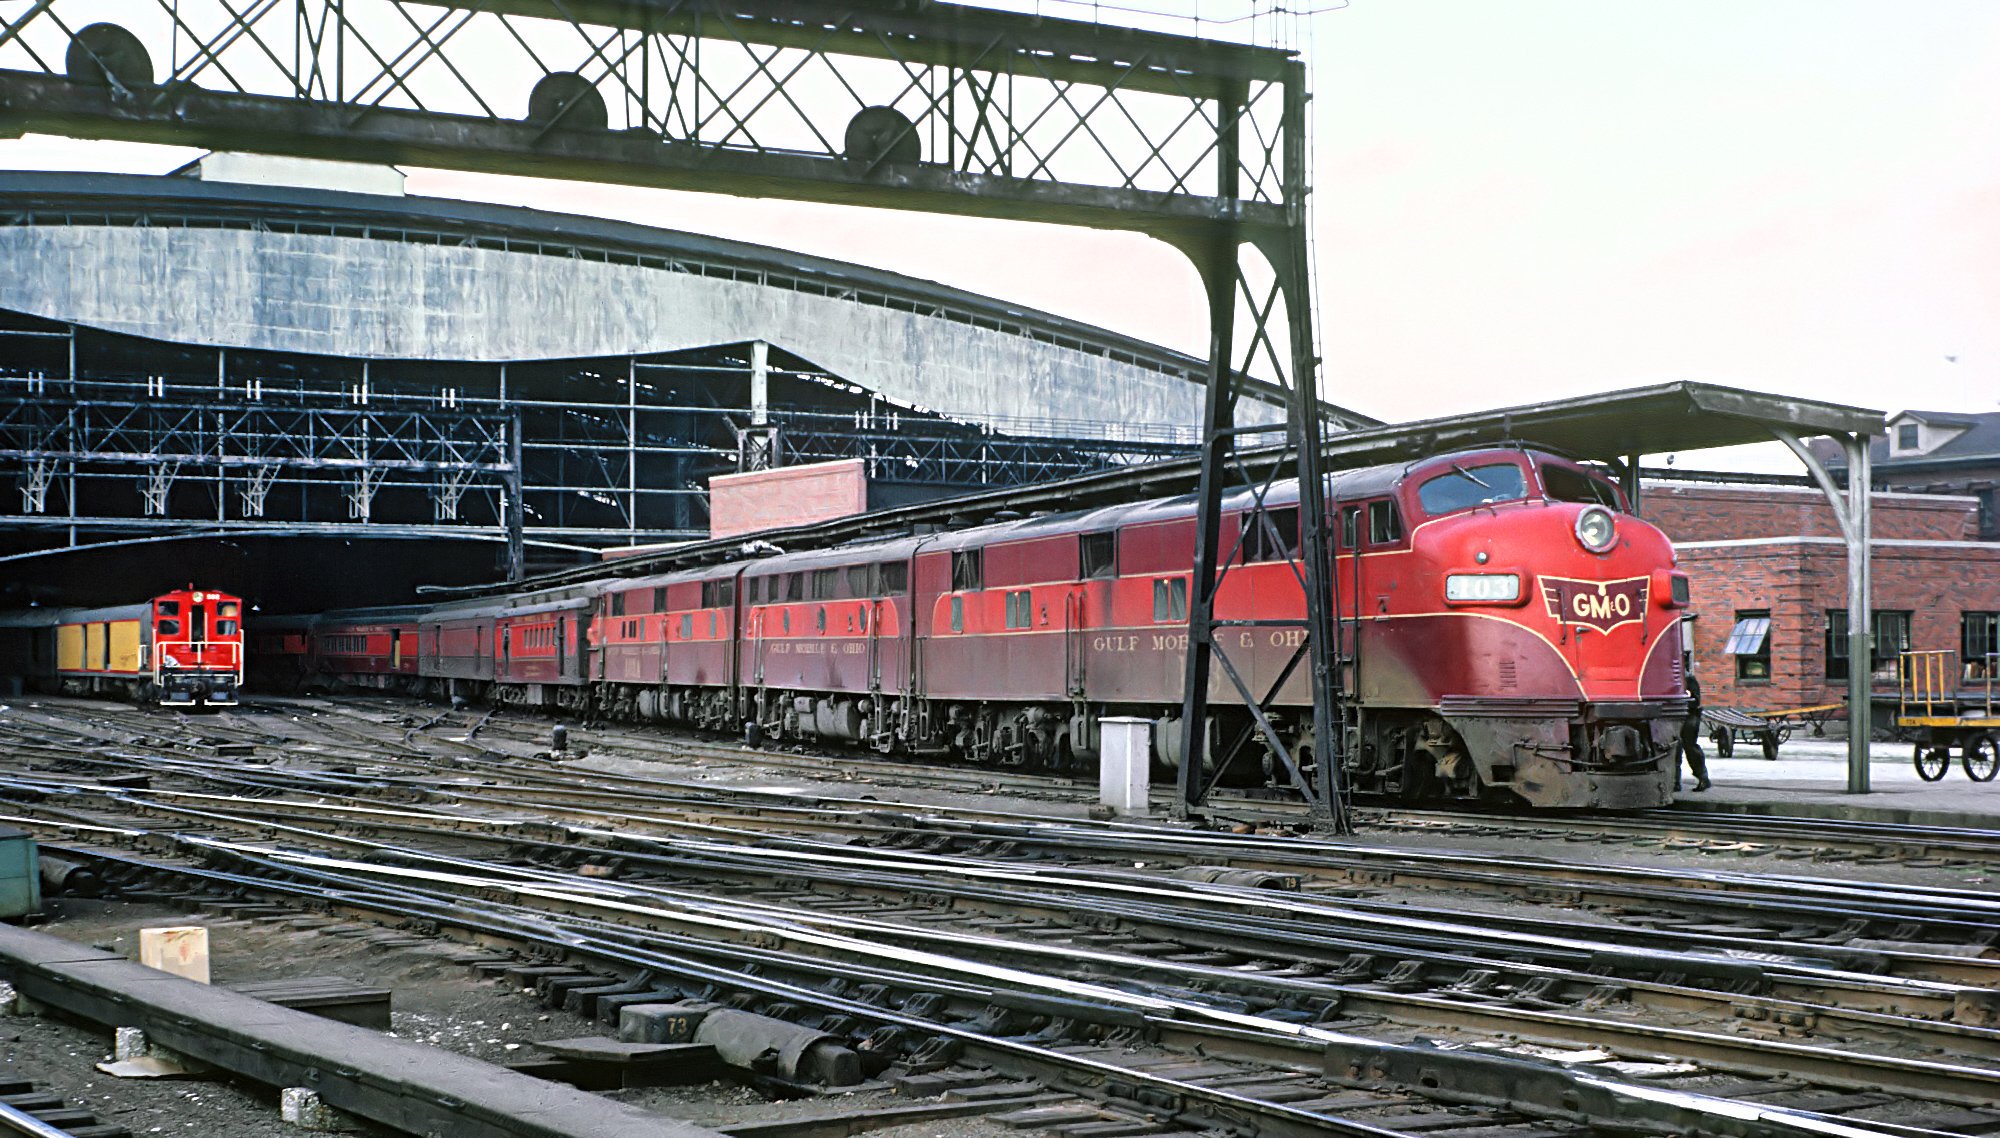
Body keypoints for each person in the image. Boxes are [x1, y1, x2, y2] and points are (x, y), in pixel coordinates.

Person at [1680, 666, 1712, 792]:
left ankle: (1703, 777)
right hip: (1681, 716)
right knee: (1678, 748)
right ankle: (1676, 781)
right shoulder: (1685, 678)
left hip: (1689, 716)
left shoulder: (1689, 679)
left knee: (1690, 746)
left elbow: (1695, 701)